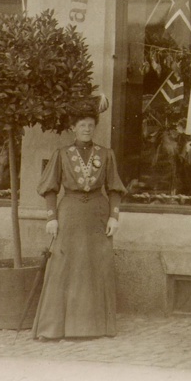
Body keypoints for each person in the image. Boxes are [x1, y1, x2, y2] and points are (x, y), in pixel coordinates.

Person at [34, 96, 125, 340]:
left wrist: (114, 217)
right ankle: (53, 328)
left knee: (96, 268)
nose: (86, 128)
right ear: (73, 127)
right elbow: (50, 188)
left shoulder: (106, 154)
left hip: (97, 214)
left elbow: (115, 189)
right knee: (64, 267)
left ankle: (94, 328)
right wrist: (51, 217)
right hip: (70, 213)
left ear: (95, 127)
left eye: (90, 124)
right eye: (81, 124)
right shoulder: (62, 154)